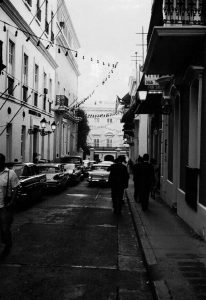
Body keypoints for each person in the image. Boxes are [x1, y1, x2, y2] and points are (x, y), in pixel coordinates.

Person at [0, 154, 19, 258]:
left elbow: (15, 188)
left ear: (2, 162)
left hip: (4, 207)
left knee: (5, 228)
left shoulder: (10, 173)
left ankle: (7, 246)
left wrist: (12, 201)